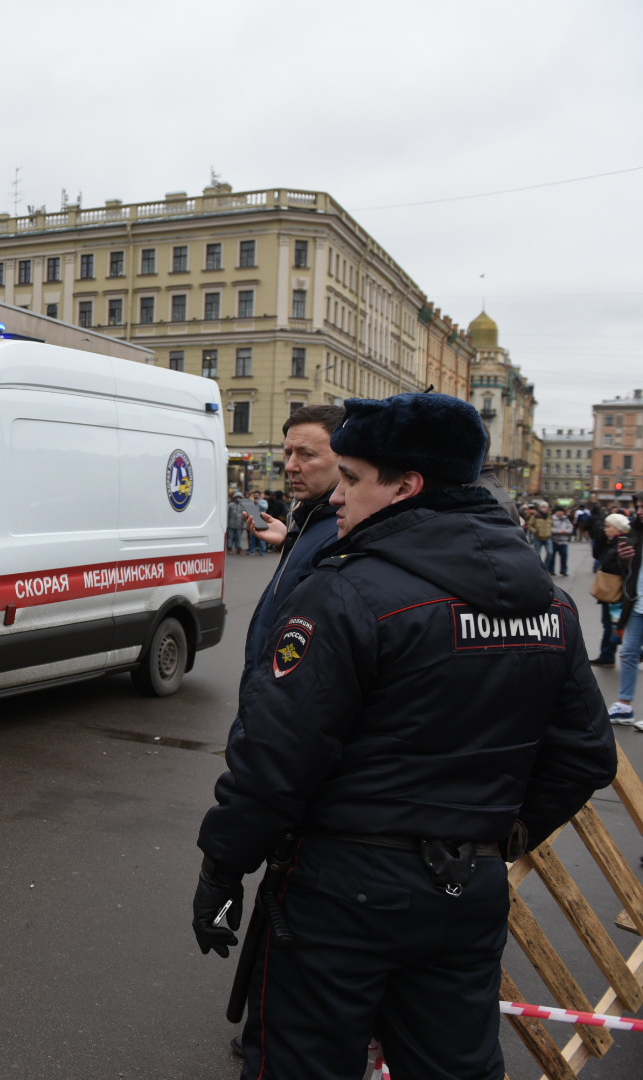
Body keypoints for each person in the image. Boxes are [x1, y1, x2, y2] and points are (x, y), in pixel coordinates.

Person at [193, 392, 616, 1080]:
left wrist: (223, 862)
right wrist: (493, 839)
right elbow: (585, 754)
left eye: (354, 479)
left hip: (343, 889)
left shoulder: (349, 593)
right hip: (468, 889)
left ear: (407, 486)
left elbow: (276, 761)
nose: (339, 498)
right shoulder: (549, 604)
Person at [240, 404, 344, 675]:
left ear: (345, 459)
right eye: (288, 453)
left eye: (306, 455)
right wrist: (290, 540)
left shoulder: (346, 531)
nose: (290, 466)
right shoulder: (313, 520)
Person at [599, 513, 642, 726]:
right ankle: (625, 707)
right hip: (636, 603)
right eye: (640, 506)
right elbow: (629, 572)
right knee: (627, 653)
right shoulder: (636, 534)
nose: (640, 511)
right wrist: (625, 559)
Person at [592, 514, 635, 669]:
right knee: (611, 623)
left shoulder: (623, 543)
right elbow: (597, 555)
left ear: (618, 528)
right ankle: (608, 655)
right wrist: (601, 537)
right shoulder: (611, 542)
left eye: (609, 526)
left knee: (613, 624)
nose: (606, 529)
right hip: (610, 590)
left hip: (615, 591)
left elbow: (620, 567)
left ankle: (609, 656)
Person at [548, 508, 573, 576]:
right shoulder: (552, 519)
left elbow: (570, 527)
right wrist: (559, 531)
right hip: (554, 540)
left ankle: (563, 570)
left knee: (564, 556)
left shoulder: (566, 519)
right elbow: (549, 528)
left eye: (562, 512)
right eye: (559, 512)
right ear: (556, 512)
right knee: (552, 556)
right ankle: (551, 570)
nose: (560, 513)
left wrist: (567, 531)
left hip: (564, 541)